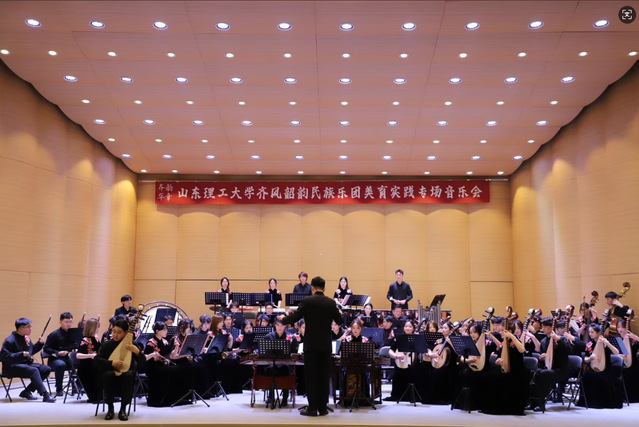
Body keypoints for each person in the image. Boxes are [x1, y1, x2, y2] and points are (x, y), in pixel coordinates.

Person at [282, 276, 343, 416]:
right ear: (325, 289)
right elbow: (340, 320)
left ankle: (312, 408)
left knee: (311, 377)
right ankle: (323, 408)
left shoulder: (307, 301)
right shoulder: (330, 303)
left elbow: (296, 317)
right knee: (323, 376)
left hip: (311, 345)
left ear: (312, 288)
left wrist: (283, 319)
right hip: (326, 345)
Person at [95, 318, 144, 420]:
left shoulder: (132, 345)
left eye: (119, 332)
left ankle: (123, 409)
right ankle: (110, 409)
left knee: (129, 375)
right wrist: (111, 363)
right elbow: (97, 360)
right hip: (110, 373)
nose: (115, 335)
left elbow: (143, 362)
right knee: (108, 375)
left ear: (126, 333)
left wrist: (137, 352)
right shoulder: (107, 345)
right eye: (114, 331)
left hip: (126, 374)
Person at [0, 318, 56, 402]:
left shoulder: (26, 338)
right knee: (34, 370)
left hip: (24, 364)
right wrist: (21, 354)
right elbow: (4, 357)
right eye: (28, 327)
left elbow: (31, 351)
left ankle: (26, 391)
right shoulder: (9, 341)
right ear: (20, 328)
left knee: (46, 369)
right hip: (11, 367)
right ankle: (45, 394)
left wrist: (39, 344)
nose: (30, 329)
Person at [579, 324, 623, 408]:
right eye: (589, 332)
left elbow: (617, 352)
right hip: (593, 368)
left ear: (599, 333)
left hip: (607, 370)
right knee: (586, 376)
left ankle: (601, 403)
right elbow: (585, 358)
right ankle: (588, 402)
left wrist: (607, 343)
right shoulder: (589, 344)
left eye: (592, 332)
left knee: (601, 378)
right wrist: (589, 359)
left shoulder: (605, 343)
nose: (590, 334)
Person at [44, 312, 76, 396]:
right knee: (60, 364)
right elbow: (46, 349)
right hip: (56, 359)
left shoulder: (74, 334)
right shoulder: (54, 334)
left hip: (69, 358)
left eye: (70, 322)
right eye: (66, 322)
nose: (69, 324)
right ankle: (59, 389)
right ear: (60, 322)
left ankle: (77, 386)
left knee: (82, 362)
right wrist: (58, 353)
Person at [76, 318, 101, 403]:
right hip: (86, 369)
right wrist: (90, 355)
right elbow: (78, 355)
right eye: (97, 327)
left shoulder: (95, 338)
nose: (98, 329)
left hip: (94, 366)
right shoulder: (85, 340)